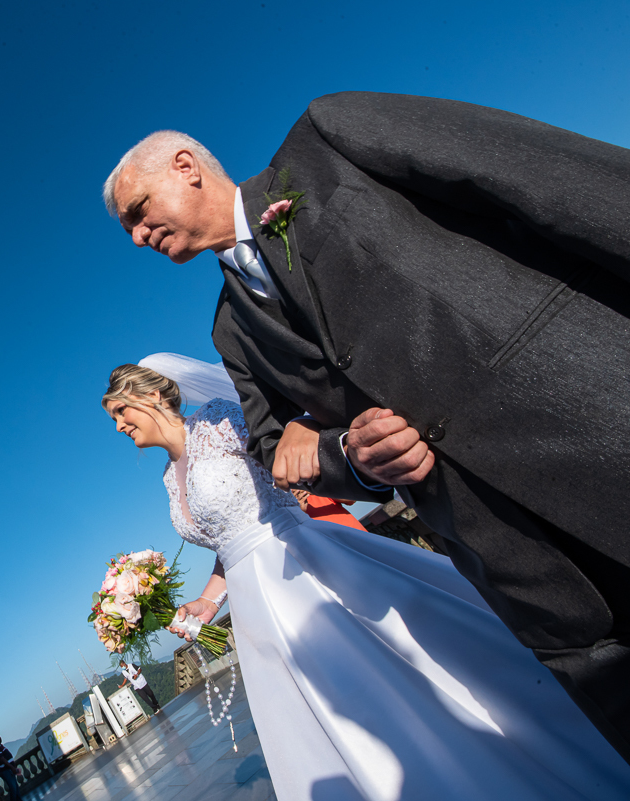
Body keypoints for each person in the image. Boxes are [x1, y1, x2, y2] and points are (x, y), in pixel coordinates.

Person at [103, 93, 630, 758]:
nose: (135, 237)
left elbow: (540, 176)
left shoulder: (325, 141)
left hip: (584, 424)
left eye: (137, 213)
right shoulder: (229, 330)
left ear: (185, 167)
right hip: (491, 545)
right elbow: (271, 454)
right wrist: (349, 454)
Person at [100, 363, 630, 800]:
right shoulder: (171, 478)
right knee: (318, 714)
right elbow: (225, 544)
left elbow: (287, 436)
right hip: (253, 602)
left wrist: (308, 433)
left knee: (391, 672)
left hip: (303, 561)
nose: (120, 428)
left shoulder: (218, 421)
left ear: (150, 395)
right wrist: (206, 600)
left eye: (121, 412)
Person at [0, 734, 22, 801]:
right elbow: (3, 760)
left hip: (9, 770)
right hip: (6, 771)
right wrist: (12, 767)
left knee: (15, 787)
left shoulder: (1, 746)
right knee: (13, 788)